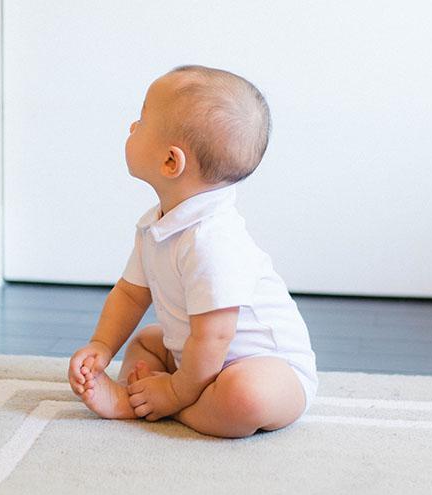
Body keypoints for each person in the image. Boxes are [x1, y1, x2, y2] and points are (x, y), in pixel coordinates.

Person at [67, 65, 318, 438]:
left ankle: (160, 406)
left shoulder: (212, 241)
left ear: (171, 162)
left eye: (141, 121)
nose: (132, 126)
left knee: (244, 397)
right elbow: (131, 294)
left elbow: (215, 337)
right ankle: (150, 395)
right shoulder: (156, 225)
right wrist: (102, 346)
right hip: (196, 357)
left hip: (269, 369)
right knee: (146, 341)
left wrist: (174, 393)